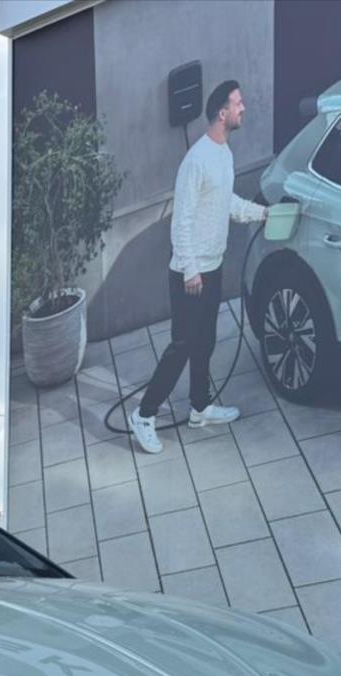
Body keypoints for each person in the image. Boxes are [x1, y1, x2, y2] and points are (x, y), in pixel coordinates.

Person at [129, 80, 268, 455]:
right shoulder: (196, 160)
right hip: (190, 274)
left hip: (213, 265)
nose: (243, 108)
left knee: (205, 341)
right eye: (238, 104)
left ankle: (200, 407)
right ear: (222, 113)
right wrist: (190, 269)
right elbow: (182, 220)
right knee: (182, 346)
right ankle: (144, 414)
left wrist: (263, 214)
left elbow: (226, 202)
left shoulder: (224, 154)